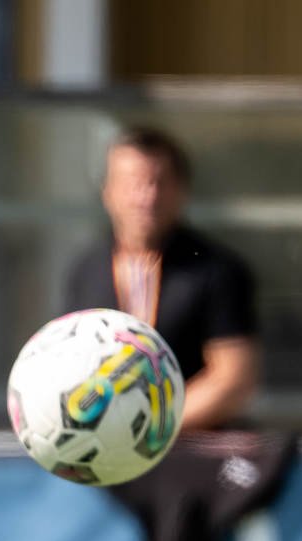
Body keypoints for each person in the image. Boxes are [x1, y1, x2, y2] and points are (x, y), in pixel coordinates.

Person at [63, 126, 260, 432]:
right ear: (107, 192)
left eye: (159, 183)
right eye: (133, 184)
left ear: (182, 190)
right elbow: (69, 365)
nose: (146, 197)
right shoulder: (86, 269)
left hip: (192, 456)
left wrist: (150, 429)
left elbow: (232, 379)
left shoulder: (217, 270)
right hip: (104, 455)